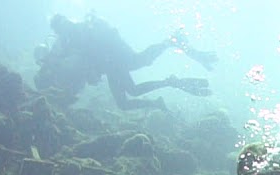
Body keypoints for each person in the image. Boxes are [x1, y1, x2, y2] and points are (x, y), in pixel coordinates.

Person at [34, 14, 214, 110]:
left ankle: (170, 42)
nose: (63, 31)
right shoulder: (72, 39)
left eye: (61, 28)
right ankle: (165, 88)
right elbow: (65, 59)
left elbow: (83, 55)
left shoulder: (77, 34)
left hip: (116, 57)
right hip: (111, 65)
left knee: (140, 62)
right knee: (125, 102)